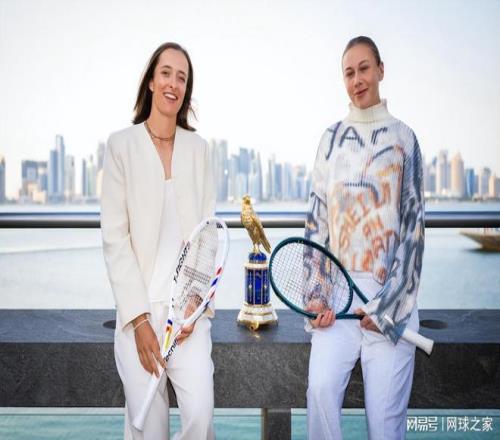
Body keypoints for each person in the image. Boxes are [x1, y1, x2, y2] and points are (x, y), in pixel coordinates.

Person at [305, 36, 425, 440]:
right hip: (338, 297)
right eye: (349, 73)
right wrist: (317, 296)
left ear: (380, 70)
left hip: (390, 297)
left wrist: (389, 307)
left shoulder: (405, 139)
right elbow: (316, 224)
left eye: (364, 69)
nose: (357, 80)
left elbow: (413, 231)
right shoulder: (330, 140)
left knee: (385, 424)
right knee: (319, 391)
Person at [101, 42, 216, 440]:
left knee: (200, 417)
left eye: (182, 78)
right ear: (151, 81)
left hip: (187, 315)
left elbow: (208, 235)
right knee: (149, 430)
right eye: (166, 73)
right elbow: (115, 240)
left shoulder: (200, 150)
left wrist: (194, 304)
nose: (173, 83)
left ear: (186, 91)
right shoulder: (121, 146)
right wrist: (138, 322)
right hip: (140, 316)